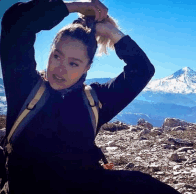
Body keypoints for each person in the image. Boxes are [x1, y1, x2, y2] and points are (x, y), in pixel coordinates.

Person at [0, 0, 181, 193]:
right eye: (57, 56)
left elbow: (142, 70)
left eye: (74, 63)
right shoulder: (24, 87)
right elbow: (16, 21)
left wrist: (113, 33)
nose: (60, 69)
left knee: (146, 186)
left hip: (87, 186)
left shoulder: (95, 100)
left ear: (87, 67)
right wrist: (75, 6)